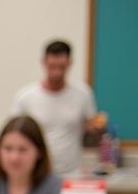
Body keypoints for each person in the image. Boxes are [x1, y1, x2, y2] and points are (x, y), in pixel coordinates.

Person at [12, 40, 99, 176]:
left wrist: (95, 131)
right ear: (44, 62)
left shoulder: (83, 94)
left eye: (61, 66)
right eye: (53, 66)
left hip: (72, 173)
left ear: (70, 64)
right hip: (36, 173)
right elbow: (15, 135)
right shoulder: (25, 97)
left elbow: (90, 135)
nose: (57, 72)